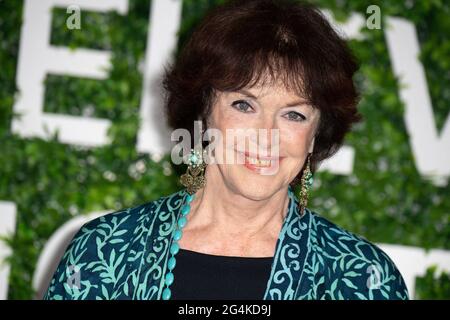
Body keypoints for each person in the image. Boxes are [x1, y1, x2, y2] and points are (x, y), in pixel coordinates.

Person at [44, 0, 409, 300]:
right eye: (244, 105)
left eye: (294, 114)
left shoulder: (363, 278)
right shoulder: (104, 251)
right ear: (204, 110)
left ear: (315, 135)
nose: (267, 135)